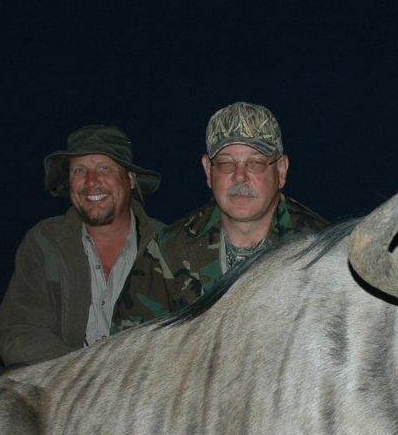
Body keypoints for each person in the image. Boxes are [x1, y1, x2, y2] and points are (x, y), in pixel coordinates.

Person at [115, 101, 328, 324]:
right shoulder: (167, 252)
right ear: (208, 171)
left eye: (255, 163)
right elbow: (128, 347)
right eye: (226, 164)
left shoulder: (321, 250)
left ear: (281, 170)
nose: (239, 176)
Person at [0, 124, 166, 366]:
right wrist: (86, 370)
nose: (91, 181)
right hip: (63, 385)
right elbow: (18, 333)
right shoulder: (44, 242)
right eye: (79, 170)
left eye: (104, 168)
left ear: (129, 179)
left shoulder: (167, 245)